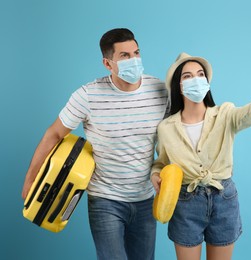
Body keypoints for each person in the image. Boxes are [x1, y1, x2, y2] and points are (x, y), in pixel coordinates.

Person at [22, 28, 169, 260]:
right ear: (108, 63)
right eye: (125, 56)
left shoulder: (160, 91)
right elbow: (54, 134)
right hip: (105, 200)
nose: (134, 60)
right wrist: (30, 179)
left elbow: (178, 134)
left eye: (136, 53)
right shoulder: (88, 95)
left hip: (145, 199)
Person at [151, 52, 251, 260]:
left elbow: (250, 113)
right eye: (187, 76)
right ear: (178, 85)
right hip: (185, 202)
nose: (196, 79)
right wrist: (155, 174)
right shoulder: (165, 128)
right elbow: (161, 163)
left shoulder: (225, 114)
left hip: (223, 198)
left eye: (200, 74)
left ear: (207, 82)